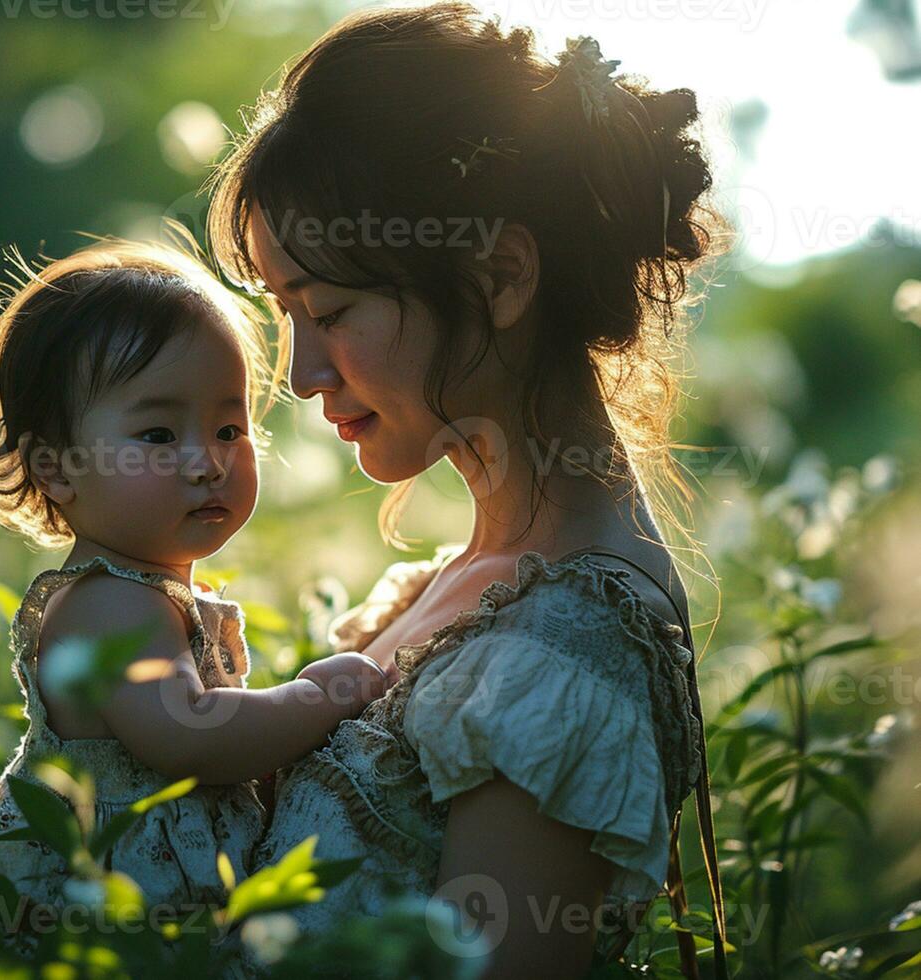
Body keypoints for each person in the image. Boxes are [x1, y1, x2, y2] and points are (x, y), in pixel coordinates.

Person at [204, 4, 728, 976]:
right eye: (285, 314)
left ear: (498, 275)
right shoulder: (459, 584)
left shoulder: (568, 651)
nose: (299, 370)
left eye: (330, 309)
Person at [0, 231, 392, 977]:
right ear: (56, 466)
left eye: (228, 428)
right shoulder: (108, 604)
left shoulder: (147, 592)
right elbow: (188, 736)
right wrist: (319, 694)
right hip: (83, 923)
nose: (207, 461)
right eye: (157, 434)